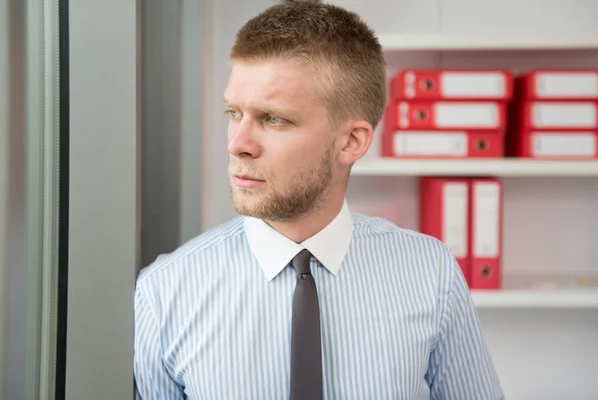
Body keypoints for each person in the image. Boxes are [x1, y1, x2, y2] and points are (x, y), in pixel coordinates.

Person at [133, 2, 504, 399]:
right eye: (234, 112)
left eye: (274, 119)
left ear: (351, 141)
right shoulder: (165, 292)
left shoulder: (431, 275)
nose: (238, 144)